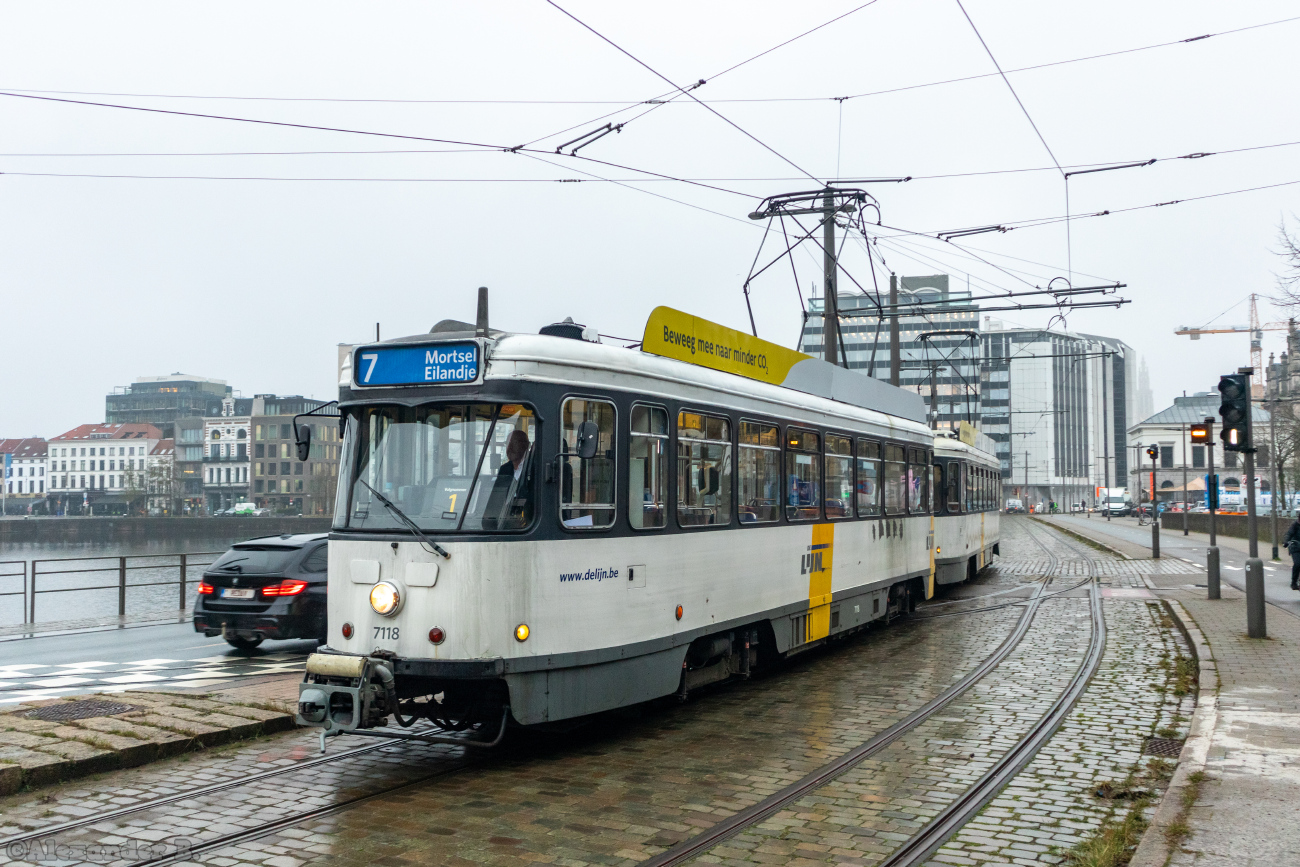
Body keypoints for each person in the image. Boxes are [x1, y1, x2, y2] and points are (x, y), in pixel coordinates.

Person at [1284, 516, 1300, 590]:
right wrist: (1286, 542)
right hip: (1295, 547)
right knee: (1297, 563)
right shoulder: (1295, 525)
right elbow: (1289, 534)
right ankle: (1294, 582)